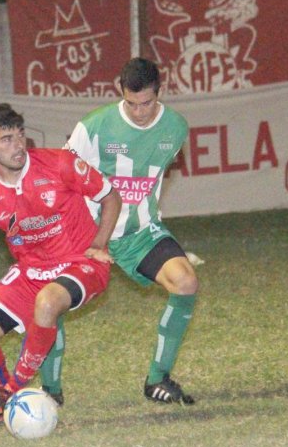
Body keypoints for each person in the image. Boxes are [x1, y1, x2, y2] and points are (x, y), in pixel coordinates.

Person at [0, 103, 121, 422]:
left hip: (81, 262)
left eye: (20, 135)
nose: (18, 145)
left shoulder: (60, 164)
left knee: (47, 302)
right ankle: (6, 397)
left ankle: (11, 392)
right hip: (31, 271)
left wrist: (98, 244)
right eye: (6, 139)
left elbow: (110, 196)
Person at [50, 57, 199, 405]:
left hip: (140, 234)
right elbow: (62, 178)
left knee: (186, 282)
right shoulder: (94, 126)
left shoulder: (176, 128)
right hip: (87, 235)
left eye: (147, 103)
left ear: (160, 92)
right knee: (49, 302)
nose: (139, 112)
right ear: (120, 91)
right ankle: (50, 391)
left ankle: (157, 379)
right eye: (131, 103)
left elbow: (155, 176)